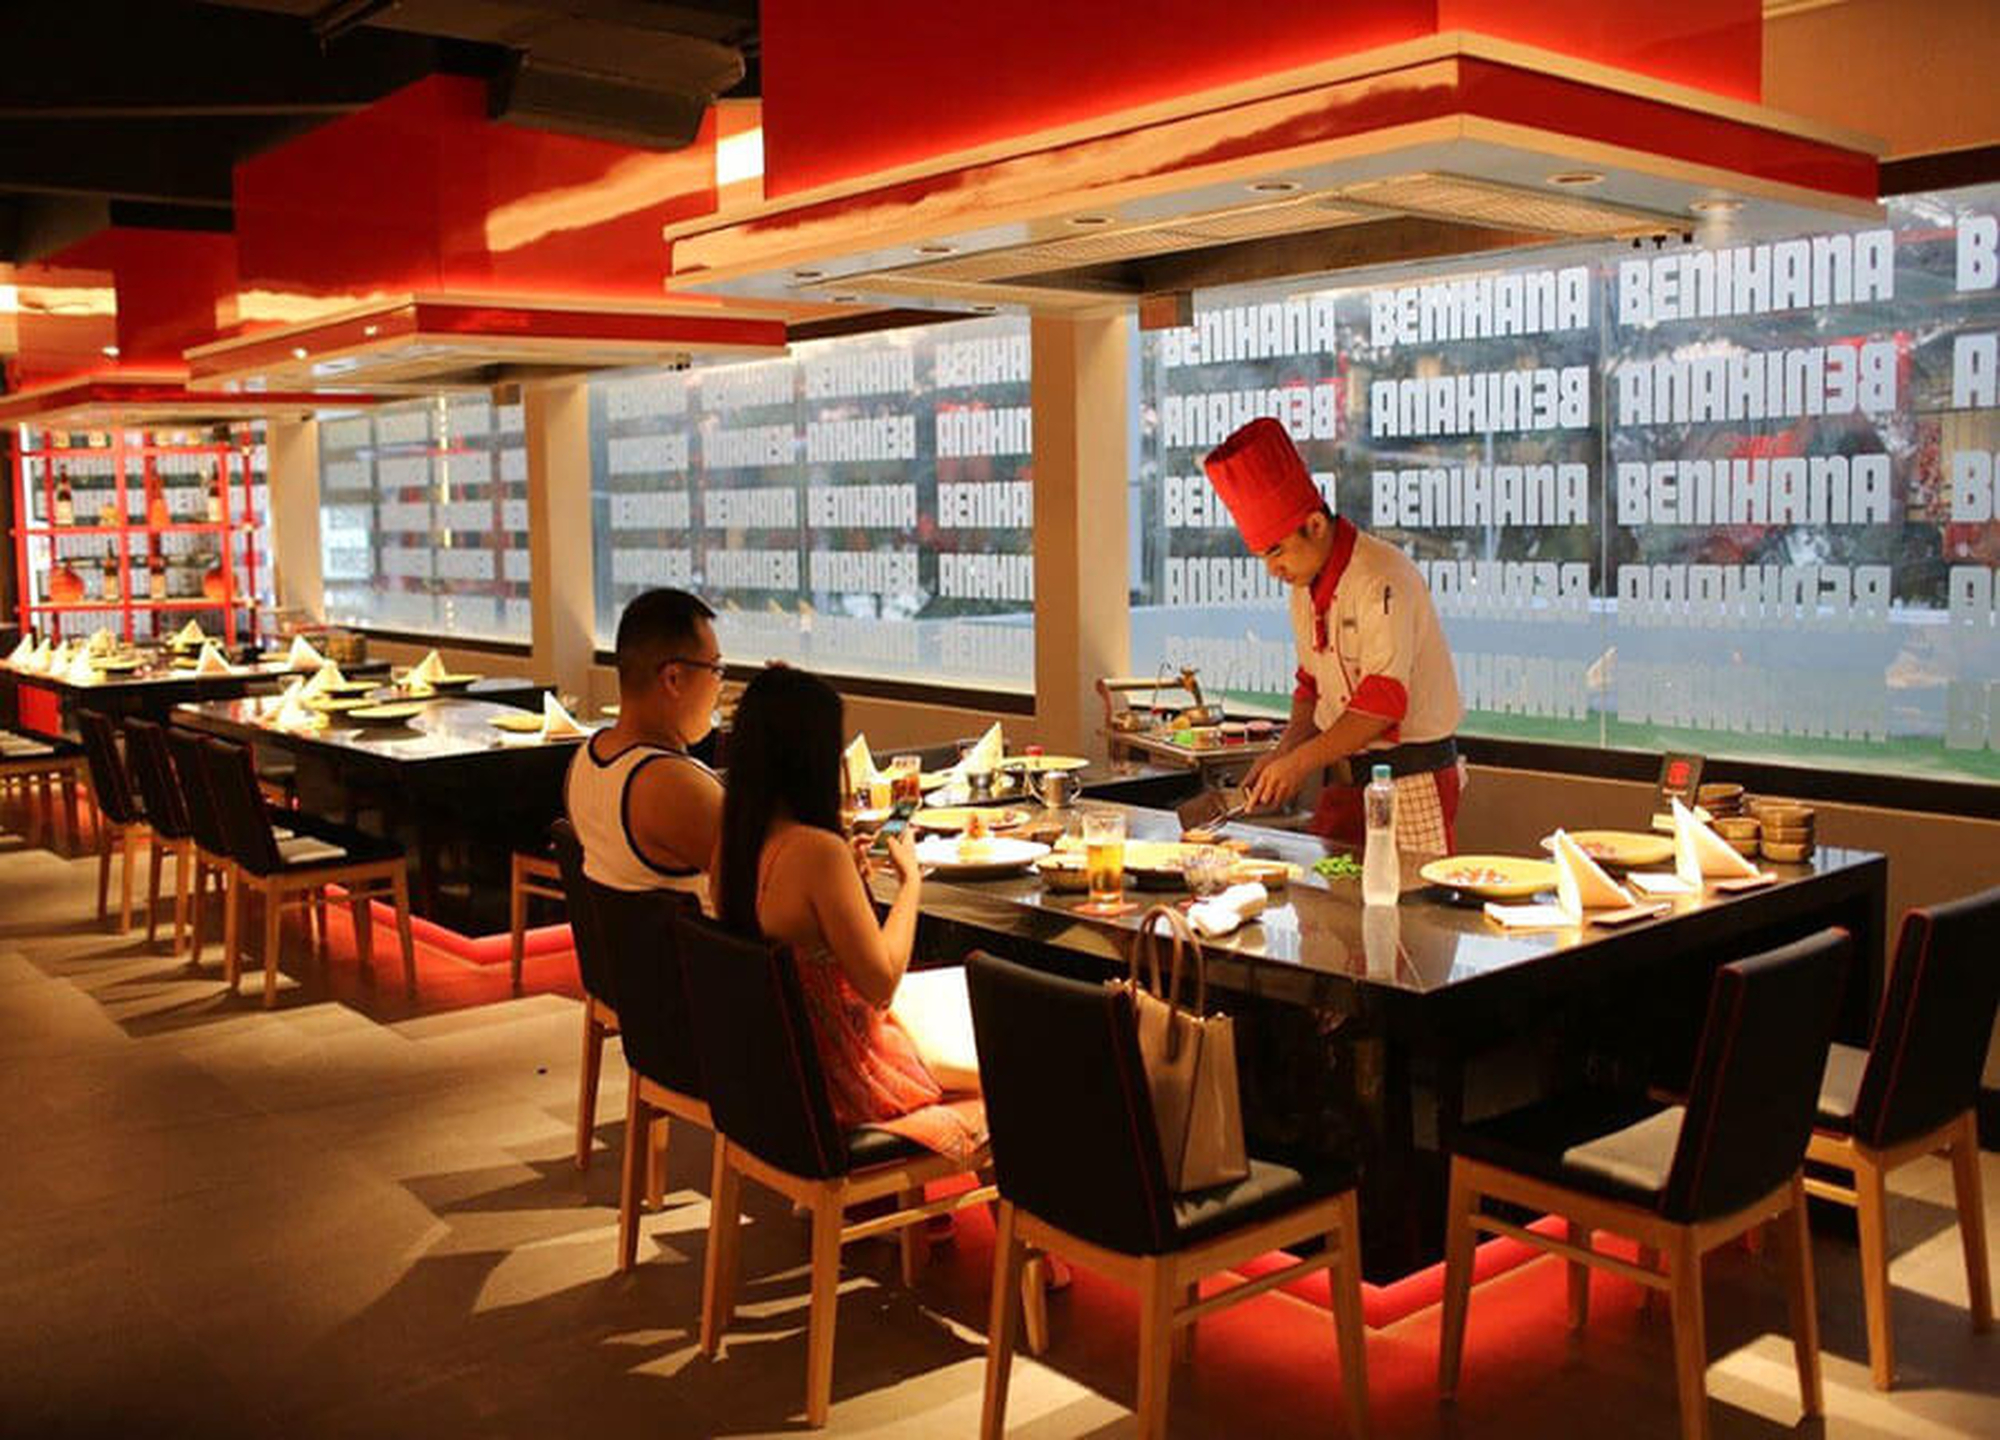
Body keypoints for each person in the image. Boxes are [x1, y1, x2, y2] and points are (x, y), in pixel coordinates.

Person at [712, 665, 984, 1164]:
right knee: (1004, 1050)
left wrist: (847, 885)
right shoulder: (817, 852)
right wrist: (910, 883)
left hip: (771, 1079)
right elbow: (880, 983)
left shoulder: (731, 845)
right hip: (841, 1082)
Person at [1207, 416, 1466, 856]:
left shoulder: (1380, 576)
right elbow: (1311, 686)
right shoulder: (1304, 586)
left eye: (1276, 551)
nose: (1272, 569)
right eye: (1262, 557)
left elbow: (1381, 704)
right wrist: (1283, 753)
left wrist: (1299, 763)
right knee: (1326, 898)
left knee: (1411, 898)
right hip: (1344, 783)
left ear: (1315, 525)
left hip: (1410, 781)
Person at [565, 587, 725, 905]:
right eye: (716, 670)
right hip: (700, 939)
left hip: (625, 940)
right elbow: (771, 879)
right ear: (673, 679)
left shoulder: (585, 758)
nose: (720, 686)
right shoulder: (671, 783)